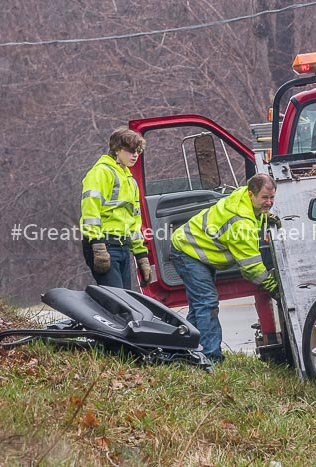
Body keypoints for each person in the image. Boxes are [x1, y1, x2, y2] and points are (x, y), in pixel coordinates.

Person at [170, 174, 280, 363]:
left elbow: (255, 215)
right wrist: (275, 288)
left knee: (199, 306)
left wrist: (267, 217)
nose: (269, 202)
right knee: (206, 303)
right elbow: (252, 269)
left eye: (272, 198)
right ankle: (211, 357)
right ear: (251, 194)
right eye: (264, 198)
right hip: (188, 251)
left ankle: (183, 350)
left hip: (196, 250)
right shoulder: (241, 223)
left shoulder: (243, 198)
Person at [80, 127, 153, 289]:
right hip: (103, 245)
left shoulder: (130, 181)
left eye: (138, 151)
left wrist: (141, 255)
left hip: (122, 246)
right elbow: (90, 210)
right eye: (131, 150)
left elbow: (134, 221)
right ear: (117, 149)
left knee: (125, 301)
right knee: (117, 303)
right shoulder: (100, 173)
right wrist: (98, 245)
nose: (135, 155)